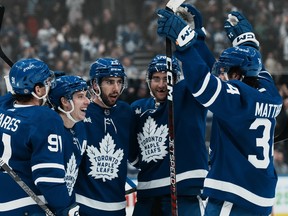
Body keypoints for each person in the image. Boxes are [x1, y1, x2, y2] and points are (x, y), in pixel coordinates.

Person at [157, 7, 283, 216]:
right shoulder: (268, 91)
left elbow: (203, 84)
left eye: (225, 72)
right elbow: (253, 66)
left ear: (238, 75)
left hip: (234, 195)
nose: (221, 75)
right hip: (260, 196)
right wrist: (245, 43)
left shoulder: (237, 99)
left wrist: (185, 44)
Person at [129, 5, 216, 216]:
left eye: (167, 78)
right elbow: (132, 152)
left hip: (184, 191)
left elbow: (206, 72)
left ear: (177, 79)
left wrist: (194, 38)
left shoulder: (188, 95)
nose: (161, 84)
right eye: (156, 78)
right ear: (148, 81)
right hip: (147, 195)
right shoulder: (138, 108)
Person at [0, 58, 79, 215]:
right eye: (47, 82)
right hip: (26, 206)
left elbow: (11, 95)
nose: (50, 85)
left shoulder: (3, 109)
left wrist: (32, 82)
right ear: (38, 90)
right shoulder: (46, 118)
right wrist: (66, 207)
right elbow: (48, 177)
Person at [75, 57, 134, 216]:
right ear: (95, 85)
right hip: (83, 206)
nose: (116, 88)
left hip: (117, 208)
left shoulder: (126, 112)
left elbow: (135, 154)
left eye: (119, 82)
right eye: (109, 82)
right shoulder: (81, 112)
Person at [48, 75, 90, 200]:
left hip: (66, 205)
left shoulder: (81, 128)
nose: (87, 101)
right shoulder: (48, 130)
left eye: (86, 96)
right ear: (65, 101)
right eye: (80, 96)